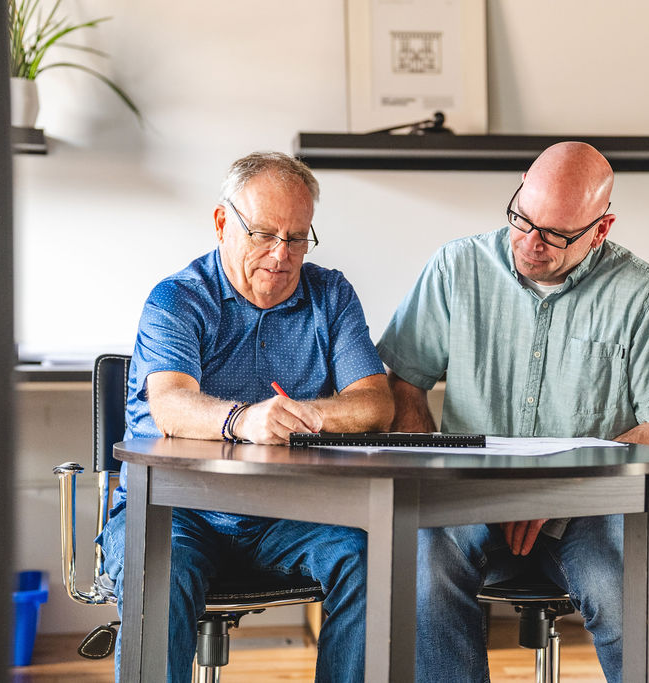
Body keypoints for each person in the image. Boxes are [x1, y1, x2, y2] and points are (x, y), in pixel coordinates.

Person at [377, 141, 649, 682]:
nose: (530, 243)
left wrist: (552, 492)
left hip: (589, 508)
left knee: (624, 592)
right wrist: (433, 472)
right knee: (420, 568)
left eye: (555, 234)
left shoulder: (641, 294)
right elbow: (403, 383)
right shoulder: (458, 267)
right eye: (523, 218)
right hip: (467, 495)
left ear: (600, 228)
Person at [98, 151, 394, 682]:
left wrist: (307, 415)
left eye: (298, 237)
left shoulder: (331, 296)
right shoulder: (177, 300)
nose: (282, 255)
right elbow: (169, 404)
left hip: (285, 513)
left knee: (372, 560)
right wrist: (245, 421)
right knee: (160, 572)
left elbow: (375, 403)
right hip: (176, 508)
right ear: (221, 223)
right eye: (263, 234)